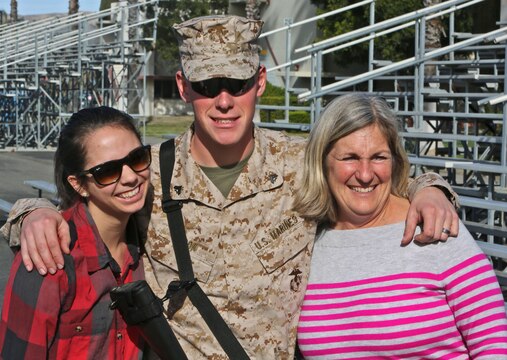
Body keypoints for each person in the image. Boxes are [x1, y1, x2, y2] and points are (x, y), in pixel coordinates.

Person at [1, 15, 460, 359]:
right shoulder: (145, 175)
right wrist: (30, 215)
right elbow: (82, 213)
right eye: (207, 84)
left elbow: (374, 178)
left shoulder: (301, 163)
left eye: (237, 83)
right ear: (183, 87)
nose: (223, 100)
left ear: (259, 82)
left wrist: (431, 189)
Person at [294, 94, 507, 358]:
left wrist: (430, 188)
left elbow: (494, 345)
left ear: (395, 161)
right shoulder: (305, 242)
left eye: (378, 157)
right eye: (349, 157)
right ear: (323, 161)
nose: (364, 173)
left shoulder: (433, 224)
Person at [0, 107, 149, 359]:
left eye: (137, 158)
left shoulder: (152, 241)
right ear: (78, 184)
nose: (130, 177)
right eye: (108, 171)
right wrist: (30, 212)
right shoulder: (49, 258)